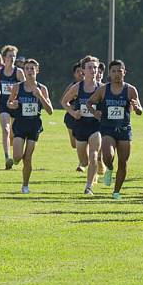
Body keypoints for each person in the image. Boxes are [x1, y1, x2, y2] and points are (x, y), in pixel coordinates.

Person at [87, 59, 141, 198]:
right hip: (107, 128)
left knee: (123, 162)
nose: (117, 74)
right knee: (108, 156)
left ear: (124, 72)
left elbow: (140, 110)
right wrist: (95, 113)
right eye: (114, 71)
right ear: (109, 73)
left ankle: (116, 192)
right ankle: (109, 168)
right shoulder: (104, 89)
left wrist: (136, 107)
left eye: (119, 71)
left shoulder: (130, 90)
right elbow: (89, 102)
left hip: (124, 129)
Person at [7, 58, 53, 194]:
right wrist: (12, 105)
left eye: (32, 69)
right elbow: (9, 103)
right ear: (24, 71)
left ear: (37, 71)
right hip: (20, 124)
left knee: (28, 157)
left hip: (34, 125)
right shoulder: (17, 87)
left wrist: (40, 96)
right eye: (27, 68)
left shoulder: (42, 88)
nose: (29, 71)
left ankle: (25, 185)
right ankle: (15, 161)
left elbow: (50, 110)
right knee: (17, 156)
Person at [60, 57, 102, 194]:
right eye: (90, 67)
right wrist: (73, 113)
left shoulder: (102, 88)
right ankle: (85, 166)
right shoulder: (78, 87)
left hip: (96, 126)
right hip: (81, 125)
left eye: (95, 68)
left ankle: (88, 186)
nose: (93, 70)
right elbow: (64, 102)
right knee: (84, 161)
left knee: (94, 155)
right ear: (83, 70)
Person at [0, 46, 26, 169]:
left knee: (14, 134)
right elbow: (0, 87)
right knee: (6, 130)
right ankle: (7, 157)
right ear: (4, 58)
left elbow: (25, 88)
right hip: (4, 103)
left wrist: (17, 98)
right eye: (9, 56)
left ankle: (16, 155)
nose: (12, 58)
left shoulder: (18, 72)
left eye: (14, 56)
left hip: (16, 104)